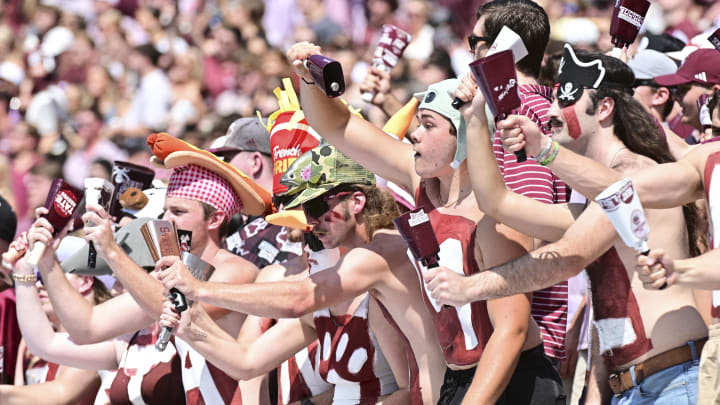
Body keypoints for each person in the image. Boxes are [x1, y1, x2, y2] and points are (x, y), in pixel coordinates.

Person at [427, 45, 708, 404]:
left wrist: (470, 288)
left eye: (567, 99)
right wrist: (475, 116)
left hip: (671, 384)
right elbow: (498, 202)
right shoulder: (600, 199)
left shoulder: (635, 174)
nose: (552, 110)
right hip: (639, 385)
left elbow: (567, 258)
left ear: (604, 109)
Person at [157, 144, 445, 404]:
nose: (310, 223)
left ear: (357, 202)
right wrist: (189, 325)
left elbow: (301, 297)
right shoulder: (344, 287)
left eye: (318, 206)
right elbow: (246, 362)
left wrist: (198, 288)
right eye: (307, 210)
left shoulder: (381, 249)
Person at [28, 136, 272, 404]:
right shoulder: (167, 273)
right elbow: (88, 326)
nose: (166, 220)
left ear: (214, 219)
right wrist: (46, 257)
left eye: (178, 212)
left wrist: (112, 251)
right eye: (166, 211)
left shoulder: (237, 271)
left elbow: (176, 312)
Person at [2, 235, 113, 405]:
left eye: (47, 274)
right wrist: (22, 269)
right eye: (37, 275)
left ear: (85, 281)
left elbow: (58, 393)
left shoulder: (100, 341)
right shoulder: (51, 345)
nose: (39, 284)